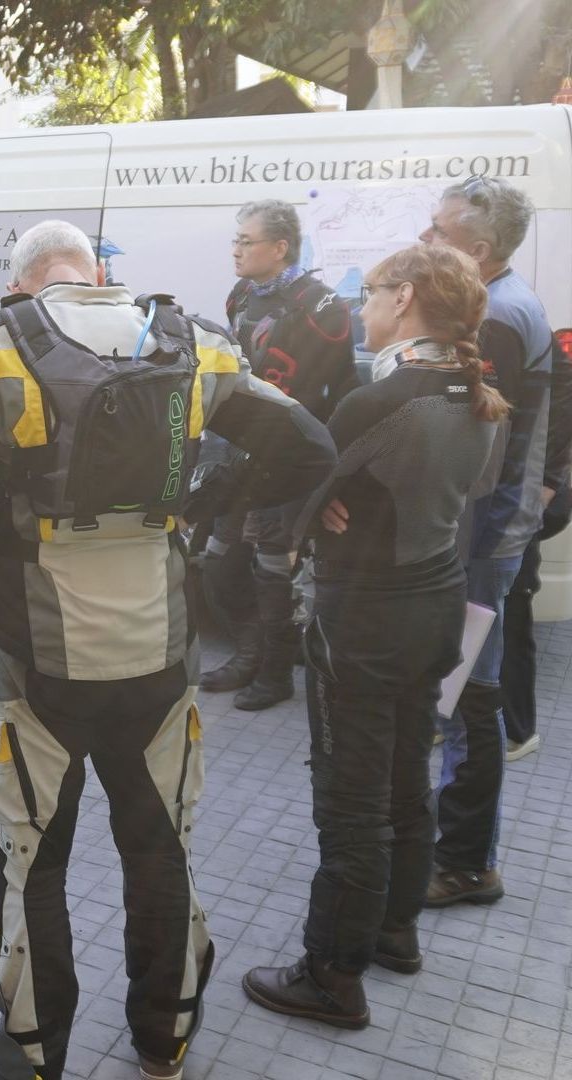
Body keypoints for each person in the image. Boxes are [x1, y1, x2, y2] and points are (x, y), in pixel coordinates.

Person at [0, 220, 336, 1080]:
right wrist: (208, 504)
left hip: (33, 653)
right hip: (159, 649)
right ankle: (165, 1039)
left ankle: (31, 1050)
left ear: (23, 288)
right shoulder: (198, 343)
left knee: (30, 855)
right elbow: (309, 446)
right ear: (98, 277)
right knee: (160, 844)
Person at [242, 244, 507, 1029]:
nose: (361, 305)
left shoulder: (379, 400)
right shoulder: (478, 394)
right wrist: (342, 495)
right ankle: (395, 935)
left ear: (407, 297)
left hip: (364, 618)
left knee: (350, 802)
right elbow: (472, 490)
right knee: (403, 781)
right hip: (435, 605)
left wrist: (317, 508)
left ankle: (331, 975)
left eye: (372, 292)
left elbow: (292, 490)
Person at [419, 176, 556, 907]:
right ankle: (464, 853)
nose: (425, 239)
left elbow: (484, 453)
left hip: (482, 542)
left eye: (438, 231)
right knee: (469, 698)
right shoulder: (502, 303)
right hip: (486, 535)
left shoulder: (498, 317)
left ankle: (469, 864)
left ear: (477, 249)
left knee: (473, 704)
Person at [200, 199, 356, 711]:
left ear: (280, 247)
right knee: (219, 567)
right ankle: (250, 653)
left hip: (291, 461)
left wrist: (329, 473)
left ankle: (274, 673)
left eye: (246, 240)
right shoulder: (241, 294)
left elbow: (333, 391)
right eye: (235, 240)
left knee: (274, 572)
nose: (236, 249)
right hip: (240, 457)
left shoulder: (323, 306)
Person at [499, 327, 572, 762]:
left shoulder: (515, 314)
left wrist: (547, 480)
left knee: (510, 608)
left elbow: (563, 402)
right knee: (468, 610)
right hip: (494, 490)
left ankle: (517, 729)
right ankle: (451, 712)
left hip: (521, 492)